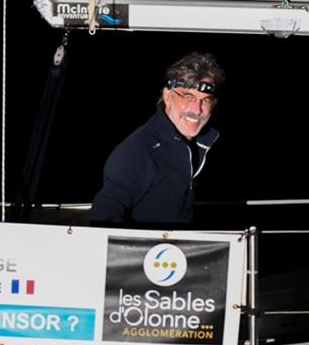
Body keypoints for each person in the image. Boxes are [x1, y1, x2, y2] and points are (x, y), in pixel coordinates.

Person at [90, 52, 224, 227]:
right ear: (167, 97)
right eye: (188, 97)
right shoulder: (138, 150)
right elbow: (103, 216)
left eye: (205, 100)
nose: (197, 110)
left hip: (184, 248)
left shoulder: (200, 143)